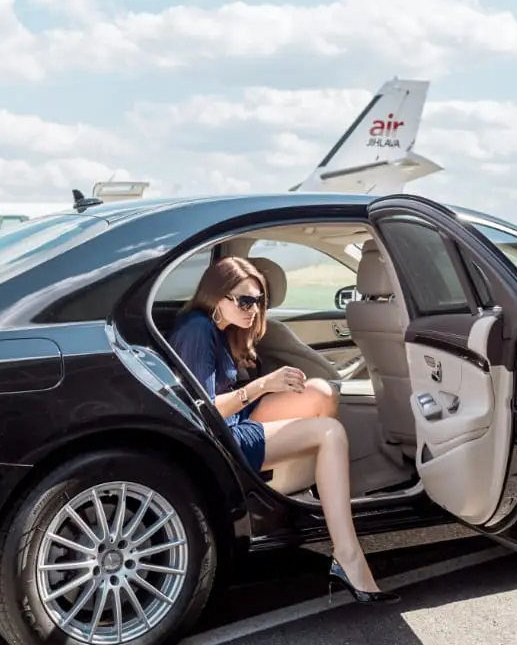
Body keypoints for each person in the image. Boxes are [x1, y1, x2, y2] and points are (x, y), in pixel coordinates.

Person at [167, 255, 399, 604]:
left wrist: (264, 386)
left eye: (258, 301)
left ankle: (316, 495)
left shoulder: (222, 326)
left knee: (320, 391)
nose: (253, 309)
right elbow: (204, 411)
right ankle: (348, 556)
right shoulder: (197, 330)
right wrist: (263, 385)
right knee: (329, 433)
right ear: (217, 296)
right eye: (244, 301)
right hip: (220, 440)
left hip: (235, 421)